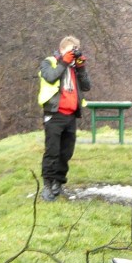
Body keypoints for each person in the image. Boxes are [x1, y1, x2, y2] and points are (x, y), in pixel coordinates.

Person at [37, 36, 91, 201]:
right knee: (52, 151)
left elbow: (87, 86)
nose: (72, 55)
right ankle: (47, 185)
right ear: (61, 50)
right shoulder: (48, 62)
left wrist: (81, 68)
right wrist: (64, 62)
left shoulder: (74, 67)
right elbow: (51, 77)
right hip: (54, 114)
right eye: (69, 51)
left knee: (66, 152)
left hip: (71, 115)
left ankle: (58, 185)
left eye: (74, 51)